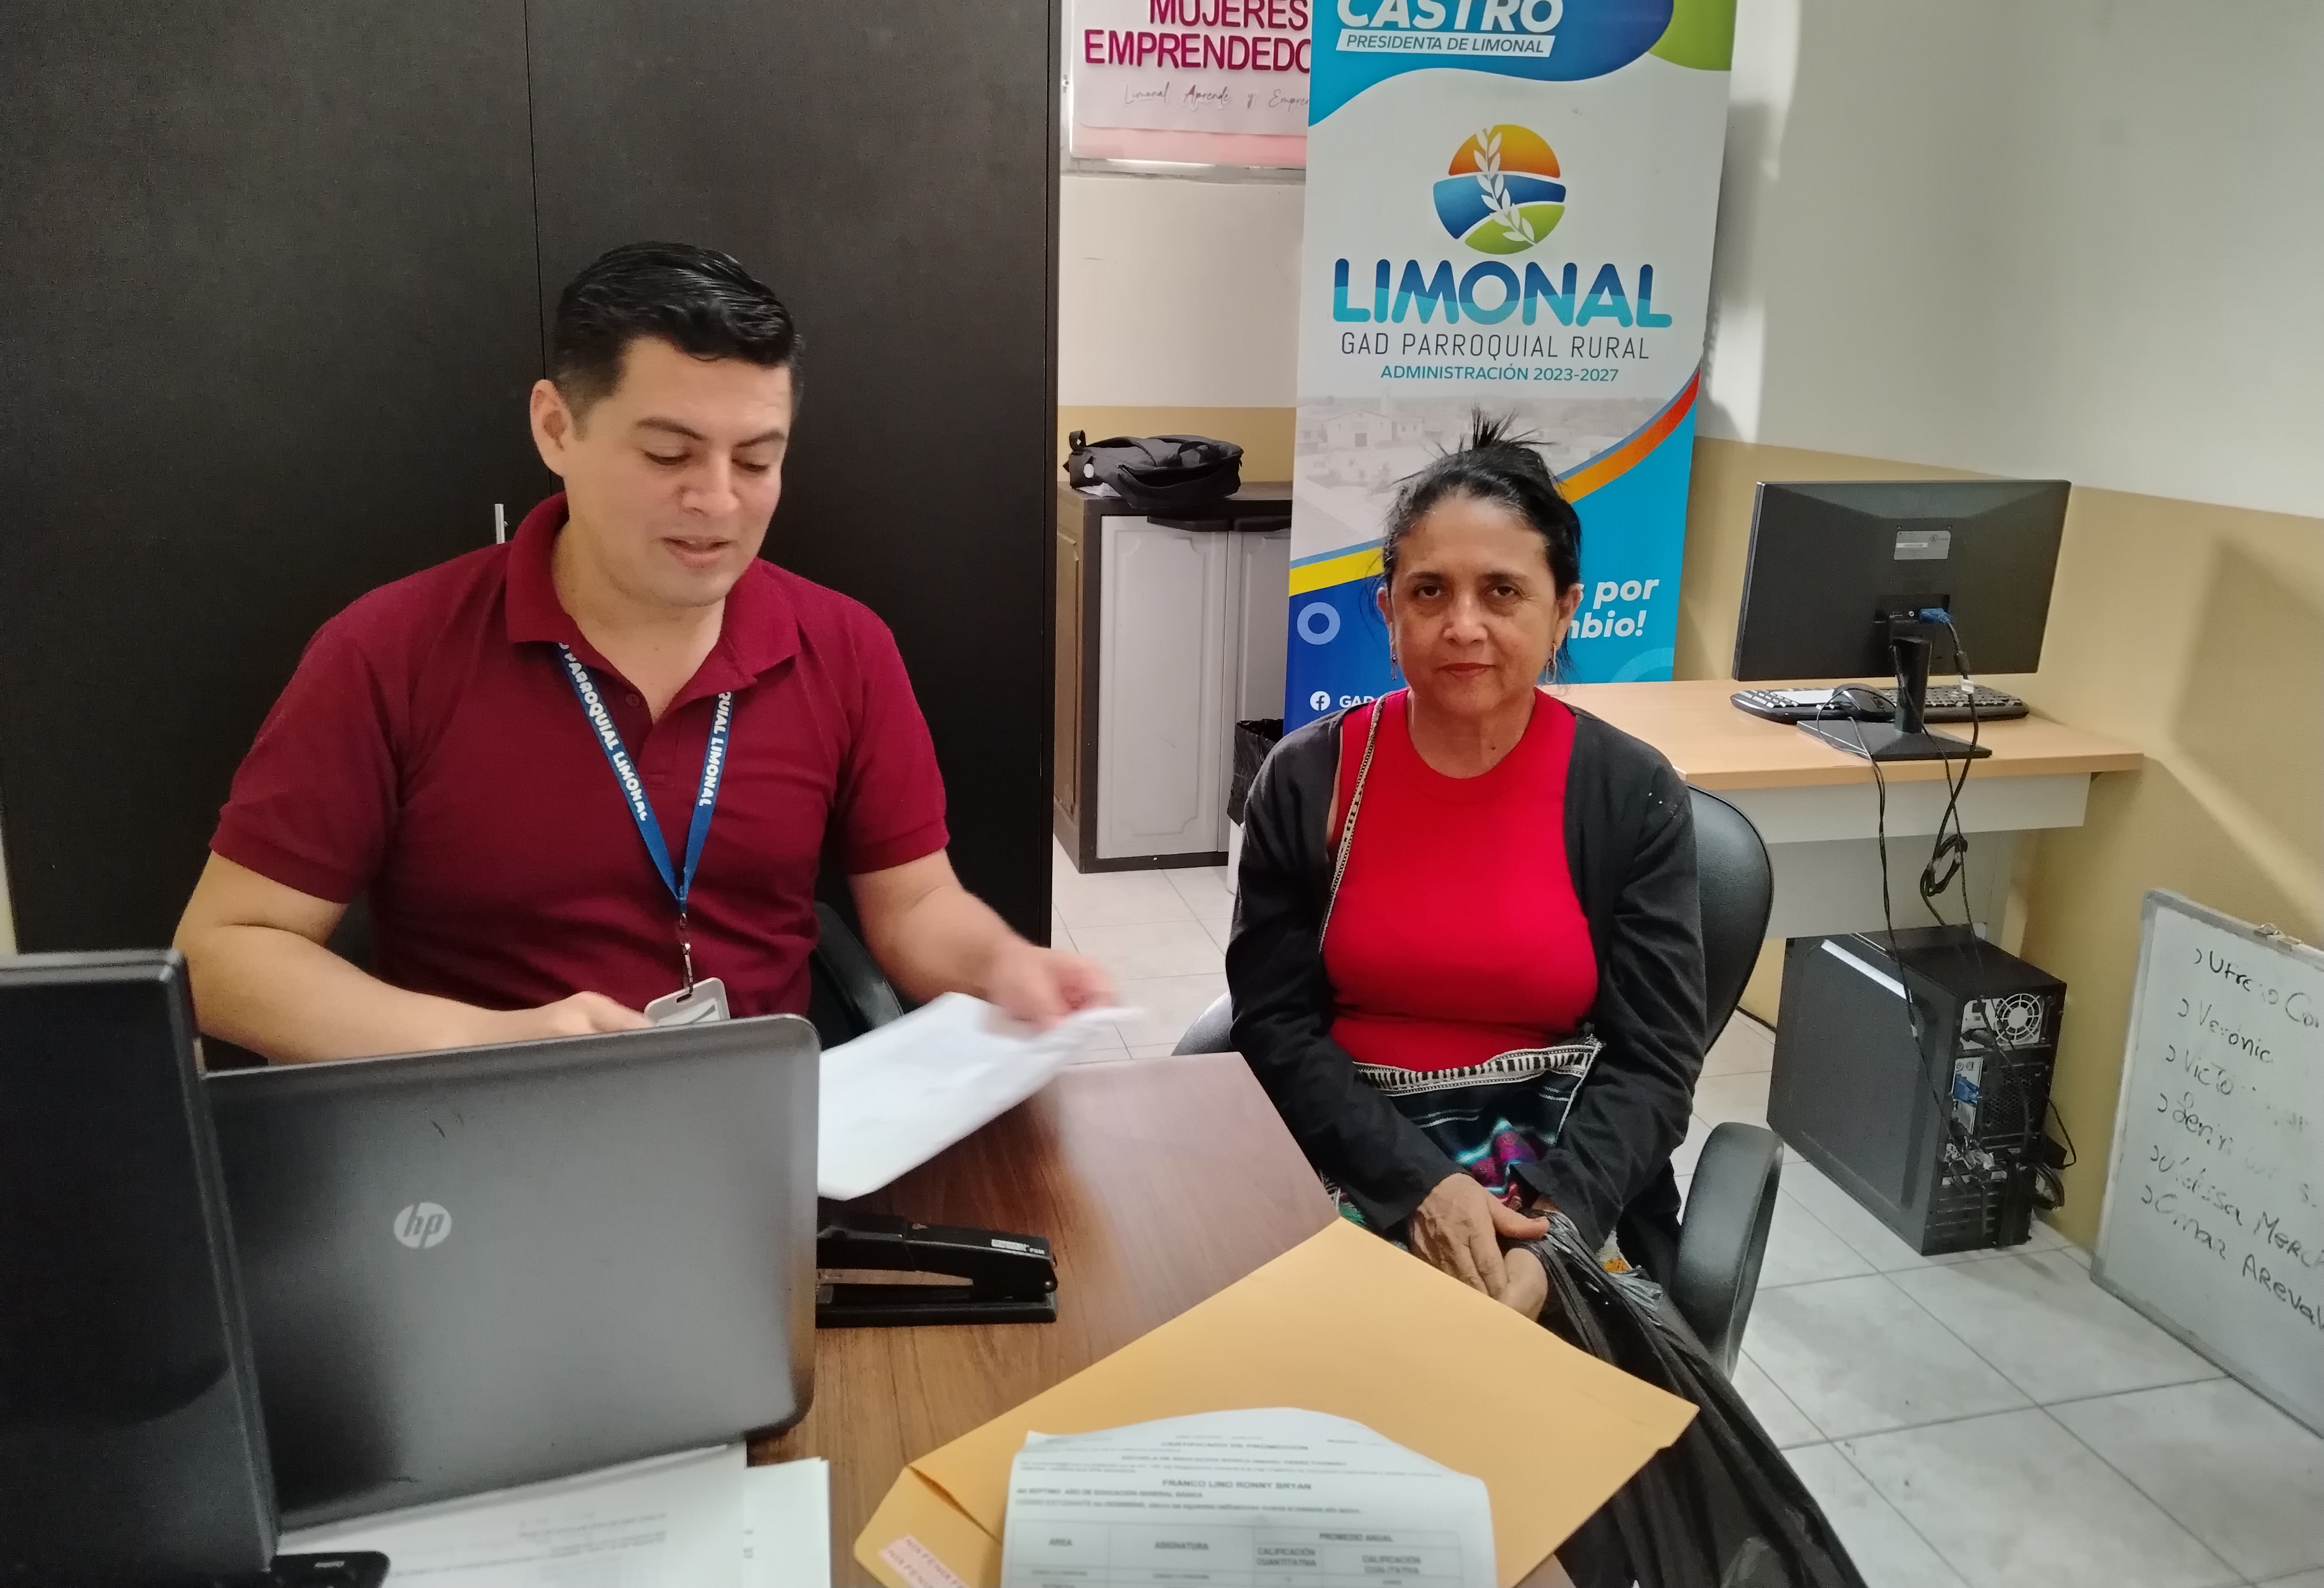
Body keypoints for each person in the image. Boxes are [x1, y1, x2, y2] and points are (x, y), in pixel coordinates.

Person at [177, 242, 1111, 1062]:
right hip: (485, 1127)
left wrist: (1003, 963)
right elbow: (223, 956)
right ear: (557, 428)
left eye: (757, 460)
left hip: (760, 1129)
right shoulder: (391, 652)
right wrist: (492, 1044)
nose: (718, 500)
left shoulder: (845, 647)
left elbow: (913, 906)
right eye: (669, 455)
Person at [1226, 421, 1706, 1321]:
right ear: (1388, 612)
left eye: (1503, 591)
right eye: (1429, 591)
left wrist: (1550, 1237)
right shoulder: (1309, 779)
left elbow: (1653, 1063)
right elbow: (1275, 1024)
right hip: (1349, 1155)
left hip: (1562, 1180)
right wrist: (1419, 1186)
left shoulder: (1630, 794)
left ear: (1564, 612)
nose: (1463, 626)